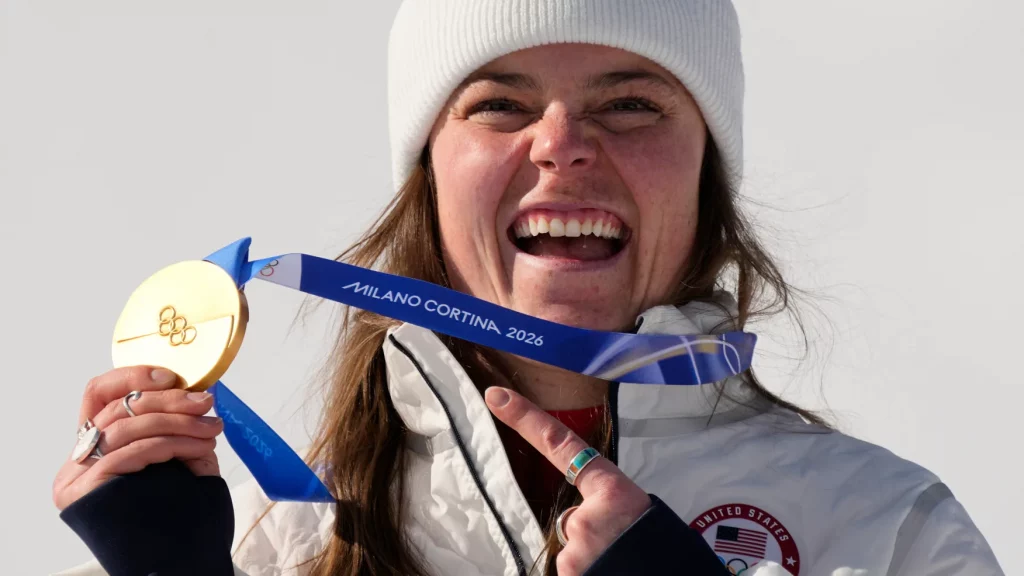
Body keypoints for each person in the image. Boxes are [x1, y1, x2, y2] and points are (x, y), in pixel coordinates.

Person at [53, 1, 1004, 575]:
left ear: (706, 172)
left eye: (630, 103)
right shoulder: (273, 541)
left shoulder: (883, 527)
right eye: (500, 104)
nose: (562, 145)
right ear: (429, 175)